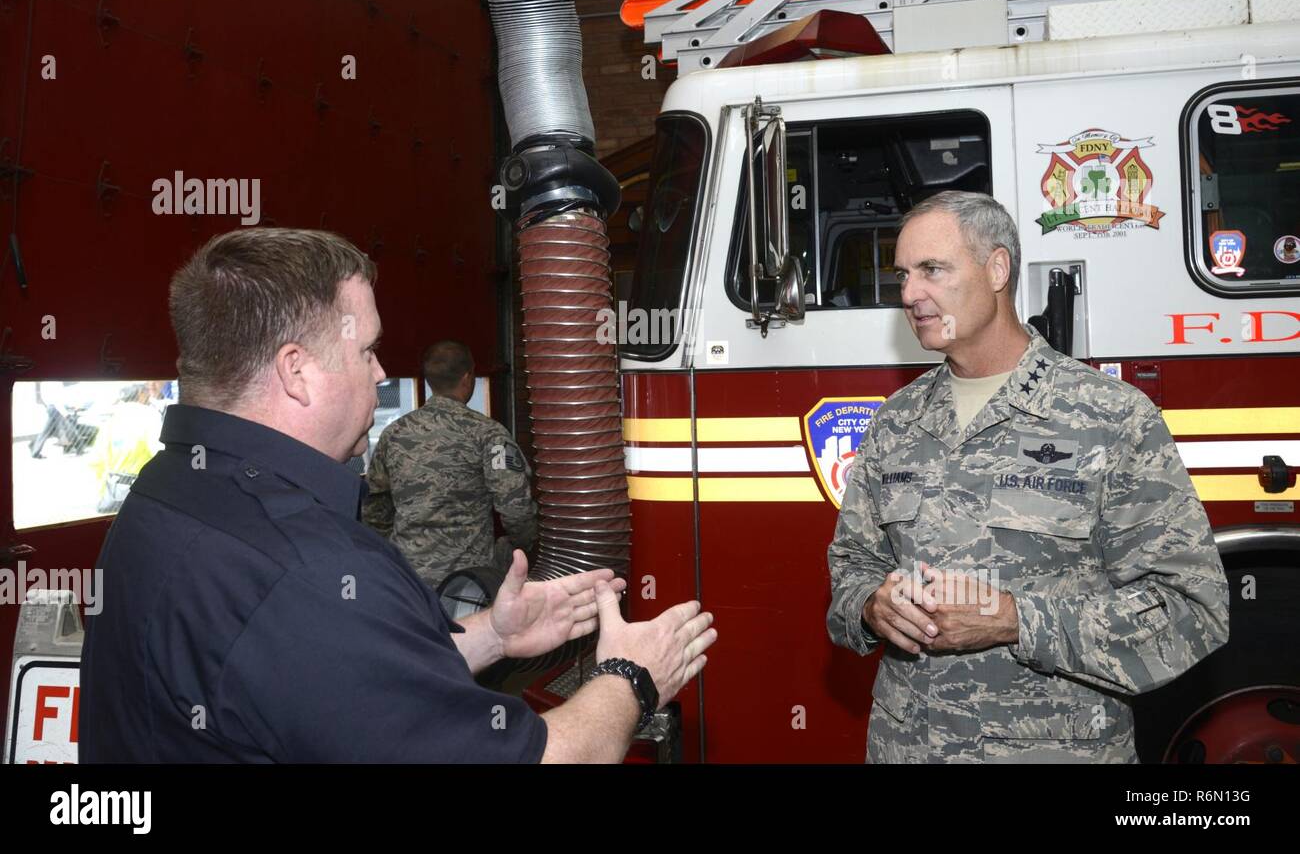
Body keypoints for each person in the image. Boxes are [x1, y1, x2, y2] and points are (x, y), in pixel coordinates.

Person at [80, 228, 715, 763]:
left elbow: (332, 684)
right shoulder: (307, 572)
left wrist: (490, 634)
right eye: (367, 351)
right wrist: (633, 677)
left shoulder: (165, 495)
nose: (382, 373)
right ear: (296, 372)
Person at [826, 191, 1229, 763]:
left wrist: (1016, 622)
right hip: (910, 747)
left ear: (997, 269)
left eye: (933, 270)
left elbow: (1192, 610)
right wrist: (872, 605)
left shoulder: (1111, 417)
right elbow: (852, 567)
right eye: (903, 275)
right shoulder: (897, 421)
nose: (911, 294)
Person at [363, 341, 536, 591]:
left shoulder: (393, 434)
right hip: (466, 583)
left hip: (407, 579)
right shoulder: (488, 434)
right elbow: (516, 507)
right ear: (468, 377)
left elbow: (375, 507)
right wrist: (523, 546)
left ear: (430, 380)